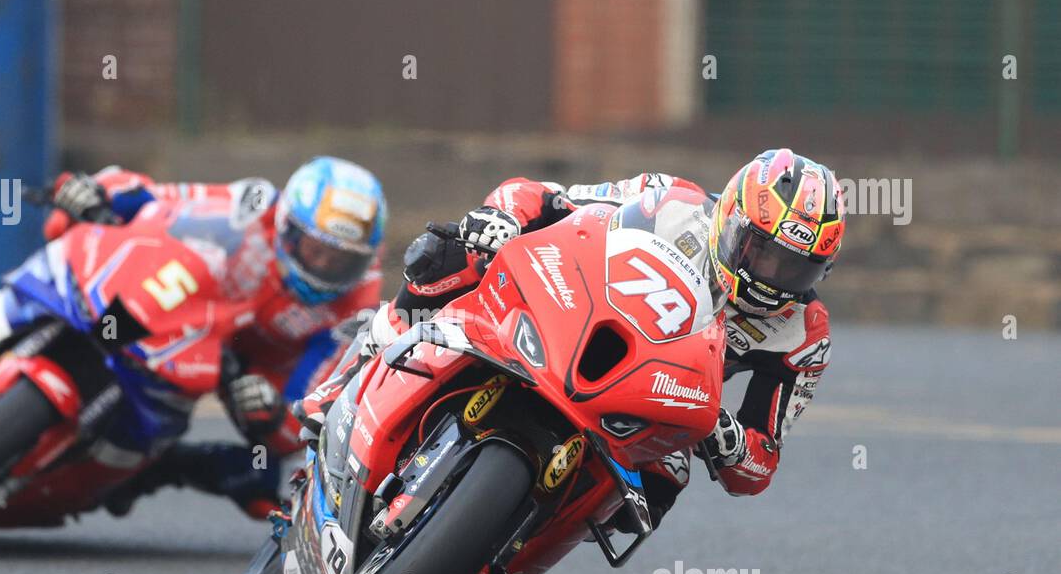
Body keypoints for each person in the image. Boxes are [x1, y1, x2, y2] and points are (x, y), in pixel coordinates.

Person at [297, 148, 844, 529]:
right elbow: (542, 197)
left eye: (795, 269)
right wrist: (499, 218)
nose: (770, 277)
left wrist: (726, 439)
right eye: (762, 252)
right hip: (575, 318)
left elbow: (759, 464)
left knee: (668, 474)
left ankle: (522, 532)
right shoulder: (668, 202)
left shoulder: (803, 333)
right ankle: (344, 383)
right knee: (447, 257)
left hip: (650, 397)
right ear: (731, 218)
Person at [0, 156, 386, 522]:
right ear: (286, 227)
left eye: (339, 260)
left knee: (260, 476)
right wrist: (96, 192)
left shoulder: (350, 309)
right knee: (66, 232)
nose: (322, 268)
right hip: (180, 306)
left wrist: (277, 413)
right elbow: (161, 199)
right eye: (314, 249)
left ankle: (156, 469)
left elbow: (317, 408)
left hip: (241, 363)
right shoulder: (251, 206)